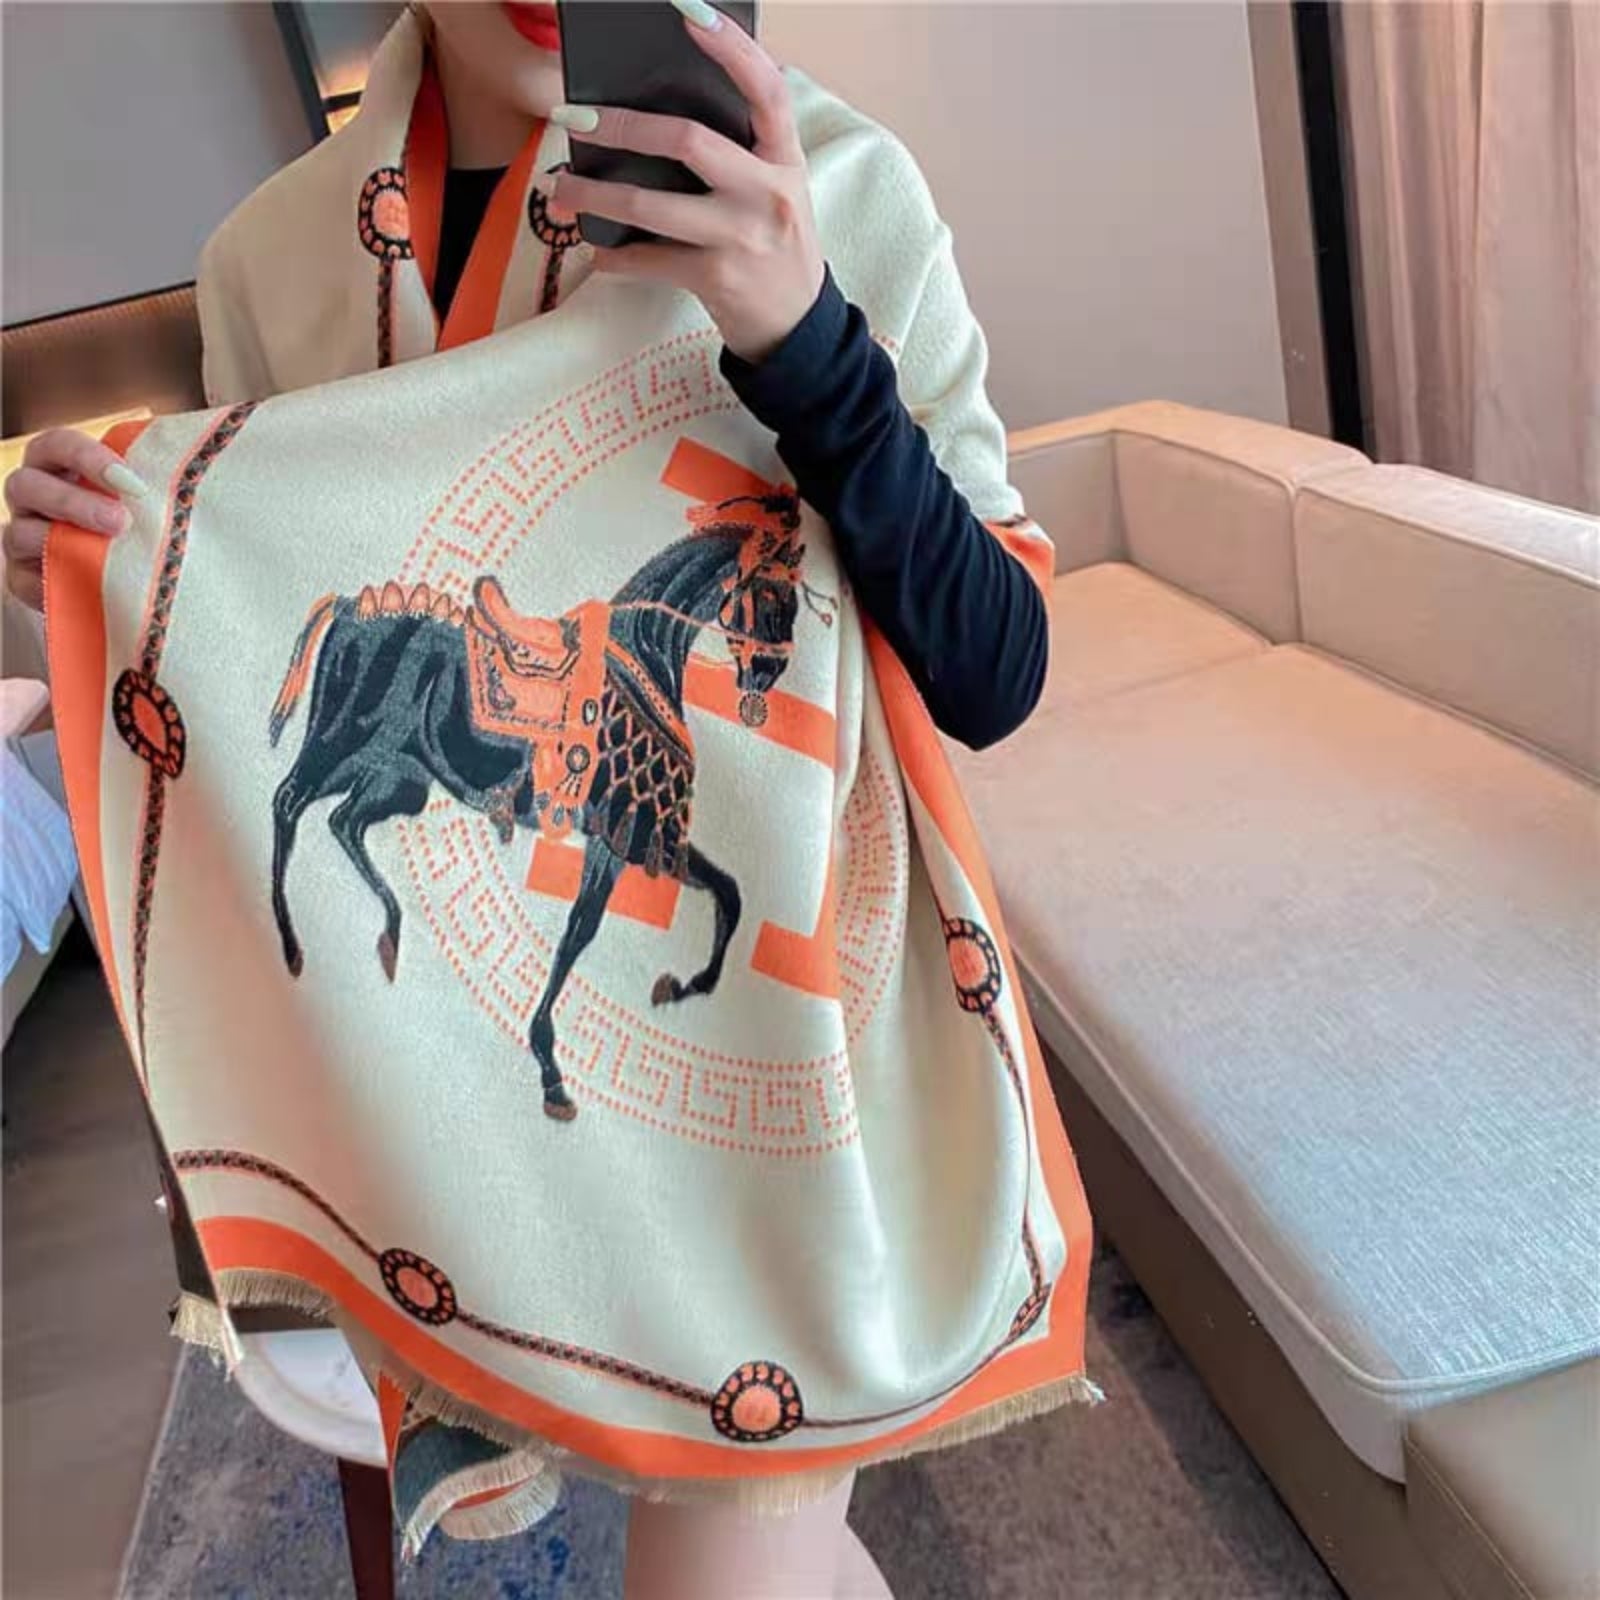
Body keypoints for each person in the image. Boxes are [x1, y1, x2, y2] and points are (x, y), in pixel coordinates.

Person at [3, 5, 1077, 1596]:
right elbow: (251, 681)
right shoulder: (273, 261)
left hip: (775, 1069)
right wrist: (109, 582)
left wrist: (809, 341)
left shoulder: (829, 183)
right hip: (440, 1084)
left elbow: (996, 671)